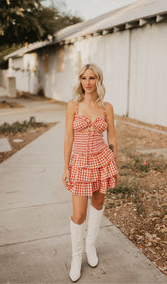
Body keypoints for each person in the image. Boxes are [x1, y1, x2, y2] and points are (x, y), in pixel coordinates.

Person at [62, 63, 118, 282]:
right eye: (84, 78)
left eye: (92, 78)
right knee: (79, 215)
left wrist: (115, 163)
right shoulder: (73, 106)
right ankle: (77, 258)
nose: (87, 82)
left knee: (97, 205)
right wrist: (66, 167)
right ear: (80, 81)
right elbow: (68, 137)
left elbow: (112, 137)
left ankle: (90, 246)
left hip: (102, 161)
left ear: (98, 81)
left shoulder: (106, 107)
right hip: (80, 163)